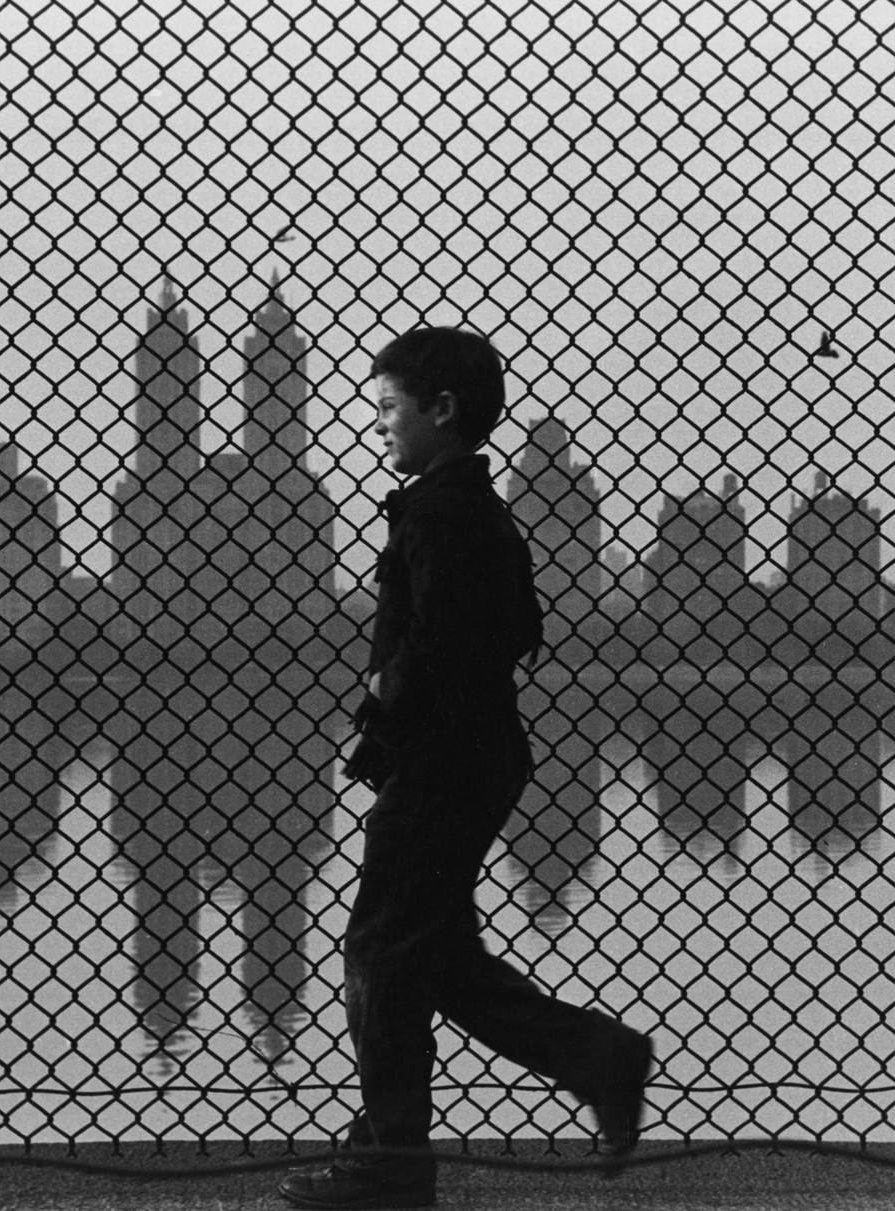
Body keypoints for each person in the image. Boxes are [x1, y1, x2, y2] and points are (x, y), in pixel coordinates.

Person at [279, 328, 655, 1210]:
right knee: (433, 951)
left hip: (443, 761)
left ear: (440, 412)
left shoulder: (440, 512)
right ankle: (595, 1060)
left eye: (388, 411)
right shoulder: (478, 508)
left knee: (381, 945)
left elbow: (435, 640)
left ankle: (392, 1162)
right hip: (480, 755)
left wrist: (385, 704)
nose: (380, 428)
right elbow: (519, 624)